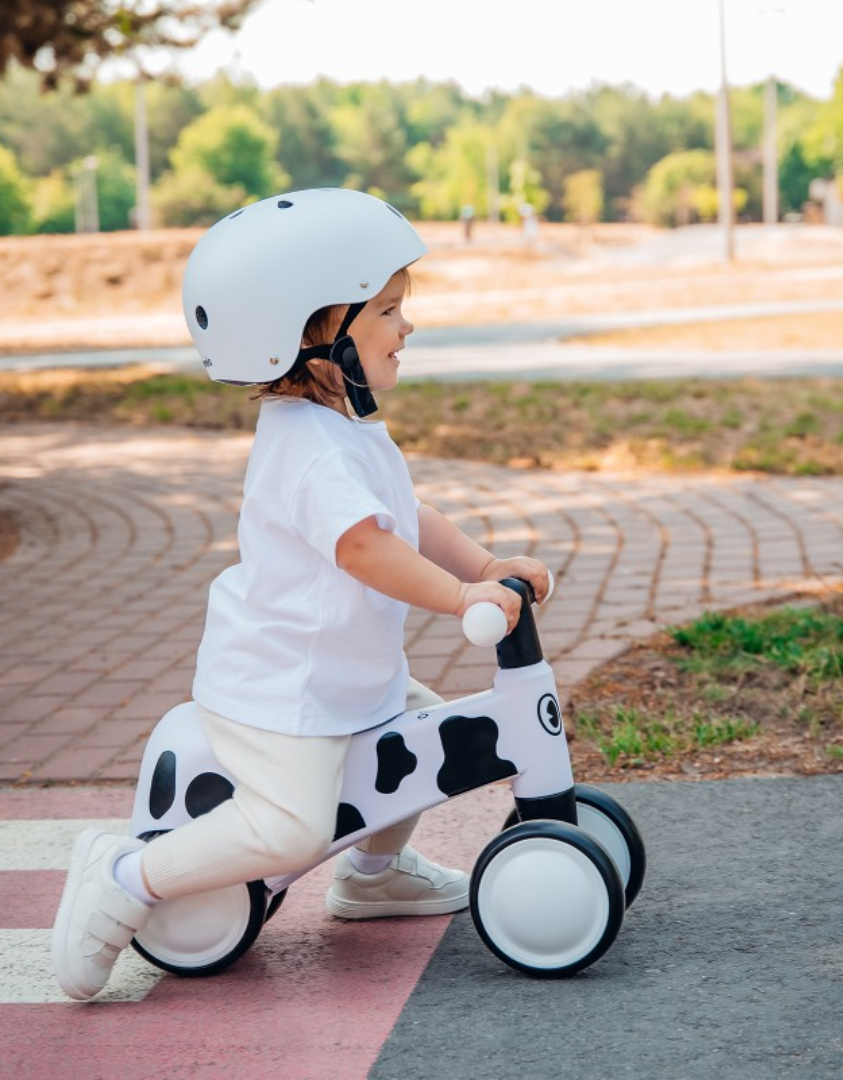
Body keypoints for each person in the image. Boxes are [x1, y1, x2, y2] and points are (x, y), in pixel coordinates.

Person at [51, 188, 551, 1001]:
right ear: (313, 333)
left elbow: (405, 516)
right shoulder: (305, 446)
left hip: (340, 677)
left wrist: (487, 563)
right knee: (291, 828)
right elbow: (364, 546)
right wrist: (463, 599)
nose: (407, 325)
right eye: (388, 309)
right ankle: (125, 874)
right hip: (280, 691)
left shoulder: (347, 424)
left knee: (422, 740)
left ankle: (374, 876)